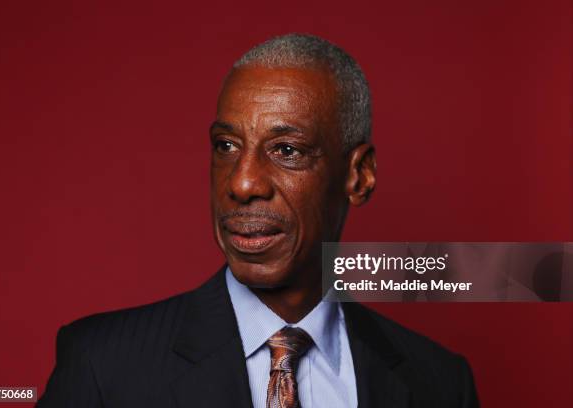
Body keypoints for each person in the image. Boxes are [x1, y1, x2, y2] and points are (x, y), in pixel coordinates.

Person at [37, 33, 479, 408]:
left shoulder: (439, 383)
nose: (242, 183)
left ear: (358, 176)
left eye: (287, 150)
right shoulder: (102, 364)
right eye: (226, 146)